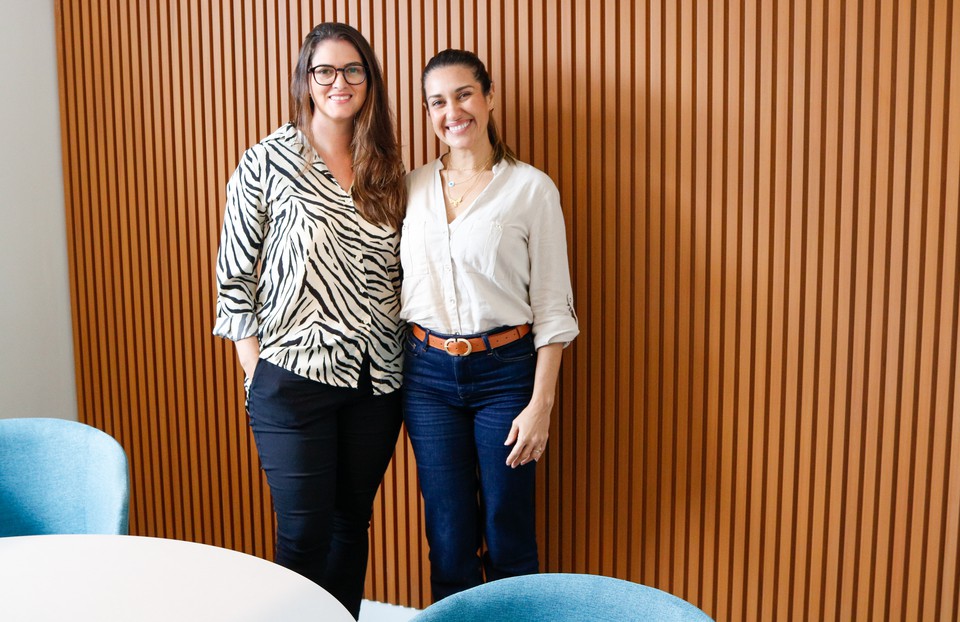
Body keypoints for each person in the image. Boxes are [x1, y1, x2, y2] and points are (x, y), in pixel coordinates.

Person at [213, 22, 406, 619]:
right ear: (306, 79)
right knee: (303, 537)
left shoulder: (387, 168)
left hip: (377, 383)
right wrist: (256, 376)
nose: (339, 82)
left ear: (368, 81)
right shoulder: (267, 160)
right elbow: (234, 278)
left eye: (353, 70)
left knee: (352, 526)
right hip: (291, 381)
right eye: (325, 71)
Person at [399, 49, 579, 601]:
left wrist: (540, 405)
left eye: (463, 94)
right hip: (426, 378)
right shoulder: (410, 188)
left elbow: (554, 306)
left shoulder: (532, 190)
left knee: (508, 531)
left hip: (505, 377)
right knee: (448, 538)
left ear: (489, 97)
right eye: (437, 101)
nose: (452, 111)